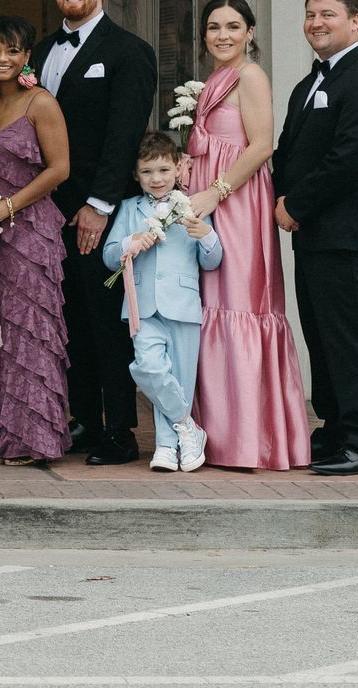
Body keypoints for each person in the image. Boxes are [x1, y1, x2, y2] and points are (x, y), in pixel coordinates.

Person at [30, 0, 157, 466]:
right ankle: (82, 417)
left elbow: (124, 136)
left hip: (98, 212)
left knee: (107, 322)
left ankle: (120, 429)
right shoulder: (37, 52)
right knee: (69, 320)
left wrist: (99, 205)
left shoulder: (129, 51)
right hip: (44, 211)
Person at [274, 0, 358, 477]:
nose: (316, 22)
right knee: (323, 339)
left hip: (351, 236)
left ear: (355, 21)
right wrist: (275, 197)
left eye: (327, 13)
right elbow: (287, 152)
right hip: (315, 236)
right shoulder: (310, 84)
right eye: (310, 14)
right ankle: (335, 432)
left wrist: (295, 204)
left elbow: (348, 160)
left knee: (351, 340)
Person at [182, 0, 311, 470]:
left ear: (250, 33)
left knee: (238, 301)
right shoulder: (212, 79)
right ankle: (218, 434)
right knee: (211, 302)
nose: (223, 35)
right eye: (214, 27)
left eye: (233, 26)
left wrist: (214, 192)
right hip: (208, 198)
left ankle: (249, 437)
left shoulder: (250, 76)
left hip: (238, 204)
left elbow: (260, 147)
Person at [0, 15, 73, 466]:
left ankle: (31, 439)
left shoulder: (40, 103)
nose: (2, 59)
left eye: (12, 51)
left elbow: (59, 169)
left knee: (28, 331)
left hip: (29, 234)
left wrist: (9, 206)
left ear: (28, 56)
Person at [103, 132, 225, 472]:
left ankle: (168, 447)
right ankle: (188, 427)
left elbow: (212, 261)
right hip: (142, 307)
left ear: (178, 169)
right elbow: (110, 256)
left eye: (162, 170)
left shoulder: (193, 206)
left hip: (184, 306)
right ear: (136, 175)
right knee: (149, 368)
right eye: (147, 172)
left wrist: (208, 237)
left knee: (180, 377)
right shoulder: (130, 209)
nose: (156, 179)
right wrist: (131, 240)